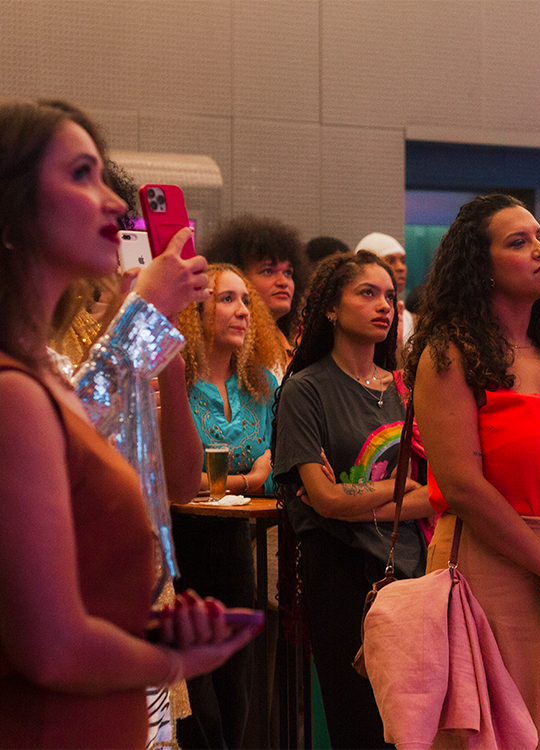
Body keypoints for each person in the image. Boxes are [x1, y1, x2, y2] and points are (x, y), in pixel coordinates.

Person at [0, 98, 258, 749]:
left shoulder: (47, 364)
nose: (115, 202)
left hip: (115, 689)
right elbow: (52, 647)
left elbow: (167, 481)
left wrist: (151, 328)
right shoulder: (14, 385)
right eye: (80, 174)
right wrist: (174, 659)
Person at [404, 194, 540, 750]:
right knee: (503, 735)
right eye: (519, 242)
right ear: (481, 265)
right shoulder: (449, 355)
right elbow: (462, 487)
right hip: (496, 562)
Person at [272, 250, 432, 749]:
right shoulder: (305, 390)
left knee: (412, 730)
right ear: (330, 308)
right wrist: (398, 490)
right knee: (358, 726)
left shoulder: (407, 389)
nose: (384, 305)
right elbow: (322, 501)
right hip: (342, 572)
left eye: (389, 295)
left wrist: (351, 496)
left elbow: (440, 493)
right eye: (367, 293)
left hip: (413, 570)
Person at [171, 264, 282, 750]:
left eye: (245, 301)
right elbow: (168, 478)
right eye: (227, 299)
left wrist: (257, 479)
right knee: (198, 709)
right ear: (195, 313)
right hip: (181, 547)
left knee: (236, 696)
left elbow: (280, 471)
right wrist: (246, 479)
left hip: (240, 547)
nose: (242, 311)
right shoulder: (174, 382)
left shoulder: (262, 385)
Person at [203, 214, 306, 371]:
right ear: (237, 276)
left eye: (288, 273)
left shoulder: (293, 352)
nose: (283, 282)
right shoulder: (227, 351)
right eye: (268, 271)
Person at [355, 231, 414, 344]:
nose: (401, 267)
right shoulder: (358, 317)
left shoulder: (409, 318)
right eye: (390, 261)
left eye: (403, 261)